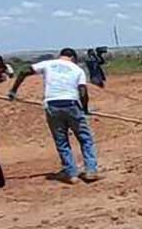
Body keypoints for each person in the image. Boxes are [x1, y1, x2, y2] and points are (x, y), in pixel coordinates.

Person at [8, 48, 100, 184]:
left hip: (52, 105)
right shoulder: (77, 70)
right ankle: (91, 170)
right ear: (73, 58)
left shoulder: (48, 64)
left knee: (62, 141)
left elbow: (23, 71)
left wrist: (13, 91)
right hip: (72, 104)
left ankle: (71, 174)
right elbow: (82, 91)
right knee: (85, 139)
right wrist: (85, 109)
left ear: (60, 56)